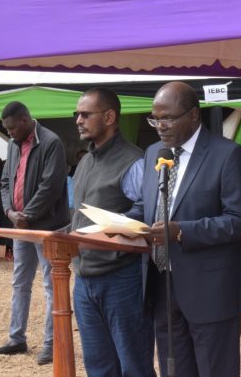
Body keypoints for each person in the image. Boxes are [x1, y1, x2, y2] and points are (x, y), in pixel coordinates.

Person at [127, 81, 241, 377]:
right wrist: (119, 223)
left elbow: (240, 219)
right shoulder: (153, 154)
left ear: (194, 116)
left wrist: (181, 231)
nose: (160, 125)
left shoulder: (226, 154)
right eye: (154, 118)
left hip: (210, 289)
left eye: (168, 117)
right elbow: (145, 205)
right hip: (161, 285)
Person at [70, 88, 155, 377]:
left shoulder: (133, 160)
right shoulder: (84, 162)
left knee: (134, 366)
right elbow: (77, 218)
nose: (78, 120)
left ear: (109, 117)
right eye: (76, 114)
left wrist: (110, 227)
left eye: (85, 114)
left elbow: (148, 209)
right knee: (98, 366)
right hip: (84, 279)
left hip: (122, 276)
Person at [0, 101, 70, 366]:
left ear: (25, 120)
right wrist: (11, 212)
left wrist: (28, 215)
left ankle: (51, 343)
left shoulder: (52, 142)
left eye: (11, 128)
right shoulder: (13, 144)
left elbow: (52, 185)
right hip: (20, 225)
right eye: (7, 129)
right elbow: (4, 181)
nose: (9, 133)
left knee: (51, 285)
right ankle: (16, 339)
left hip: (47, 226)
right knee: (20, 282)